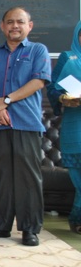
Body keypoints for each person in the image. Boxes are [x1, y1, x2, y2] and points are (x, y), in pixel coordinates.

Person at [0, 7, 51, 247]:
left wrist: (6, 100)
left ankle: (30, 229)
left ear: (30, 25)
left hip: (27, 122)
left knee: (28, 178)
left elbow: (38, 81)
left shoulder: (38, 50)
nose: (15, 26)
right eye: (10, 22)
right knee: (1, 177)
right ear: (2, 26)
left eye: (20, 22)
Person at [47, 21, 81, 233]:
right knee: (79, 178)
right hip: (75, 125)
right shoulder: (67, 58)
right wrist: (62, 98)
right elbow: (52, 87)